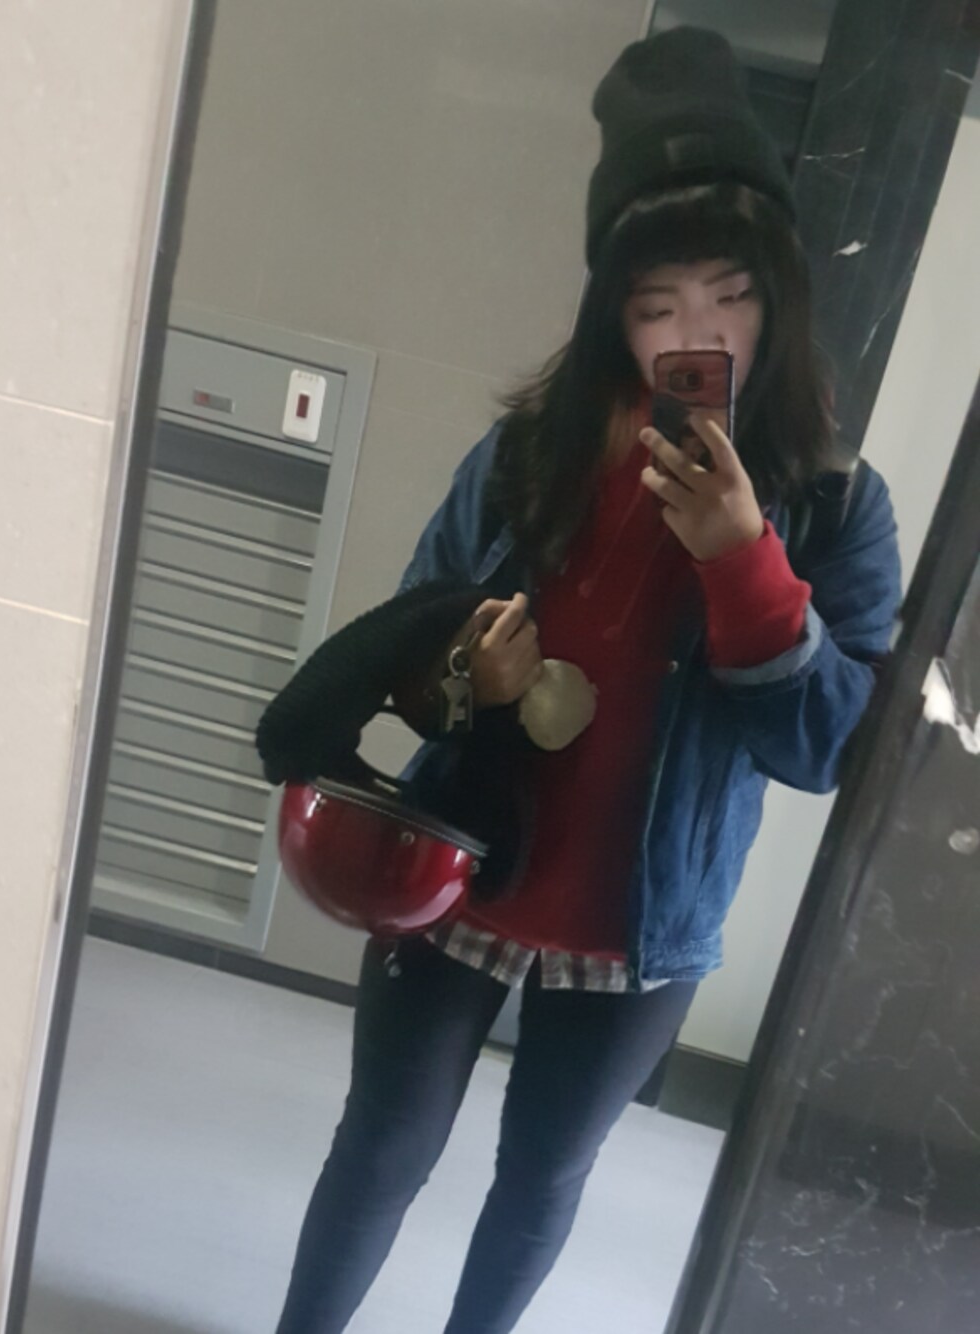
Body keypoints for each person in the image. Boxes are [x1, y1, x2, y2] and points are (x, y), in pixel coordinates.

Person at [275, 26, 902, 1334]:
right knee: (381, 1147)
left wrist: (746, 563)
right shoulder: (527, 453)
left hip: (644, 926)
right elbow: (411, 649)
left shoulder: (838, 507)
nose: (695, 332)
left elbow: (833, 751)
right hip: (458, 869)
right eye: (655, 301)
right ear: (611, 308)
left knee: (539, 1182)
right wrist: (467, 674)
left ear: (781, 297)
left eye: (730, 294)